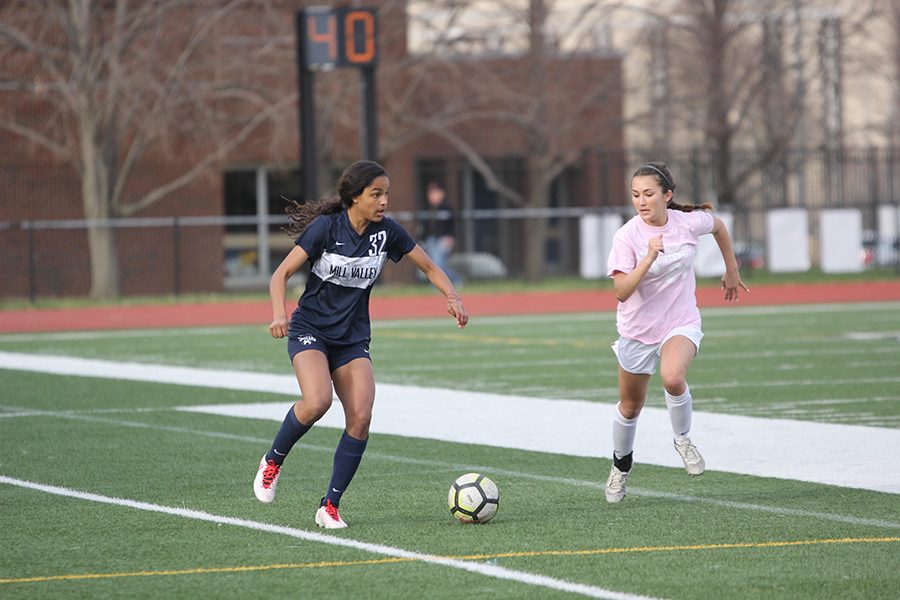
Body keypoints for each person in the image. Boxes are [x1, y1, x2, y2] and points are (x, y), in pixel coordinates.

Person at [253, 160, 468, 528]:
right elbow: (280, 274)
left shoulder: (388, 233)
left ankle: (329, 506)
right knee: (318, 401)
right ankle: (273, 459)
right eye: (376, 194)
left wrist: (452, 296)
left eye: (386, 194)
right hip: (311, 330)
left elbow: (430, 267)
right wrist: (278, 313)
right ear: (355, 196)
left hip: (352, 338)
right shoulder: (325, 228)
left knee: (361, 417)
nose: (384, 201)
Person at [604, 161, 748, 503]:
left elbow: (718, 226)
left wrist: (732, 267)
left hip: (680, 321)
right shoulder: (627, 236)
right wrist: (649, 257)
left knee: (672, 377)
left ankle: (682, 439)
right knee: (630, 406)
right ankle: (620, 468)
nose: (641, 201)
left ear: (667, 196)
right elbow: (621, 291)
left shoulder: (687, 222)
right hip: (637, 330)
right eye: (636, 194)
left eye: (649, 194)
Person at [420, 181, 460, 284]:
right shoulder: (429, 208)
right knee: (433, 264)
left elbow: (453, 225)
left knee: (439, 263)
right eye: (430, 193)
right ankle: (439, 285)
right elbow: (426, 227)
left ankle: (455, 280)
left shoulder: (447, 207)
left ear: (441, 193)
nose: (432, 196)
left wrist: (451, 237)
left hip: (444, 238)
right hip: (432, 239)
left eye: (435, 193)